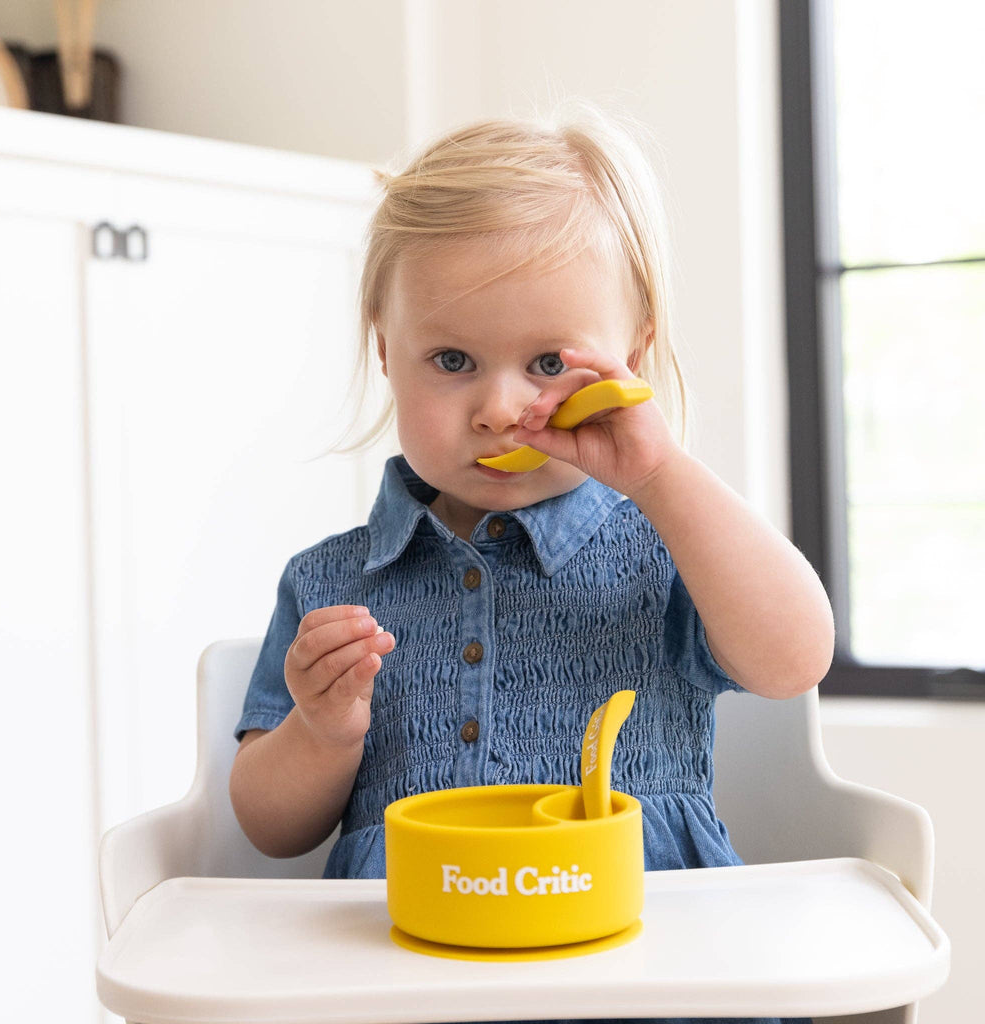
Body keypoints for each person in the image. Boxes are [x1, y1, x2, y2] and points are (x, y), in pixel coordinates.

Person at [229, 100, 832, 1024]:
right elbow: (271, 830)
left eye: (548, 361)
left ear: (630, 360)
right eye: (454, 359)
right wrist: (320, 733)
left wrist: (662, 477)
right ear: (386, 352)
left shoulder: (670, 547)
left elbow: (796, 660)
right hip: (404, 985)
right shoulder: (330, 581)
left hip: (652, 978)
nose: (502, 407)